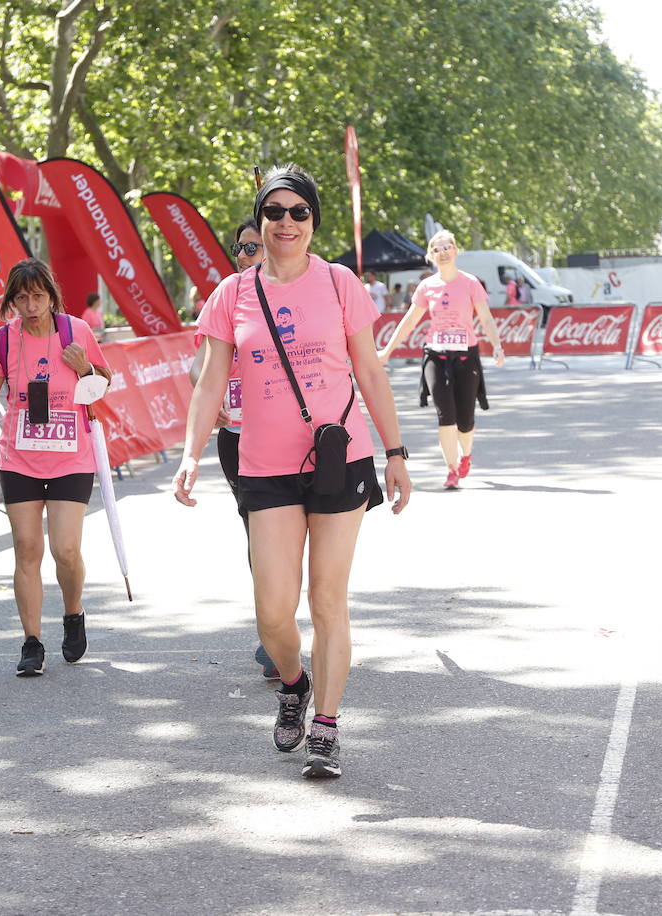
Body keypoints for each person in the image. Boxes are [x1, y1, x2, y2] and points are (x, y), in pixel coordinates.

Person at [174, 164, 411, 780]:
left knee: (328, 599)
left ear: (313, 221)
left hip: (341, 457)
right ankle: (293, 681)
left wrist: (396, 453)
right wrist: (189, 455)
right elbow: (207, 383)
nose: (285, 222)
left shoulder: (339, 284)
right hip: (265, 466)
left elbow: (371, 373)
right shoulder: (232, 294)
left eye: (298, 212)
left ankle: (326, 730)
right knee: (273, 613)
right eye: (274, 212)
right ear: (260, 220)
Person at [0, 258, 112, 677]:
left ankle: (73, 611)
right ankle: (31, 642)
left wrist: (85, 368)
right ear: (12, 301)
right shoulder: (2, 342)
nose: (30, 306)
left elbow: (104, 382)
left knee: (65, 549)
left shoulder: (75, 331)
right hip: (19, 458)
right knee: (27, 548)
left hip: (70, 457)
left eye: (38, 296)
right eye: (21, 298)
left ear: (51, 295)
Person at [190, 217, 276, 679]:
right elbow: (195, 369)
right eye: (240, 248)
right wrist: (213, 401)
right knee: (257, 535)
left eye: (254, 247)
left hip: (292, 437)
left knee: (291, 538)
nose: (245, 255)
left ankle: (285, 620)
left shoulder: (296, 292)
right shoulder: (227, 294)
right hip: (238, 438)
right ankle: (272, 635)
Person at [379, 230, 506, 489]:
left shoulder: (470, 283)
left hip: (465, 356)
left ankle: (466, 454)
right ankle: (451, 468)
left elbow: (485, 317)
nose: (443, 251)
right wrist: (387, 351)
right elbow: (410, 320)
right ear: (430, 256)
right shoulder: (427, 287)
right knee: (445, 414)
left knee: (466, 419)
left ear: (456, 251)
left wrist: (497, 346)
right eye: (437, 248)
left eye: (448, 247)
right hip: (435, 355)